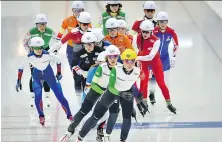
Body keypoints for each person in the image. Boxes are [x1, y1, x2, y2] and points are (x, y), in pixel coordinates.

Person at [75, 49, 147, 142]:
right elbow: (111, 87)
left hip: (127, 93)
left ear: (135, 61)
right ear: (122, 61)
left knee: (127, 118)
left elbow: (139, 80)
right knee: (96, 116)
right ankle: (80, 138)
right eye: (126, 61)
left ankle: (122, 140)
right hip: (112, 92)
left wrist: (139, 97)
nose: (129, 63)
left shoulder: (138, 71)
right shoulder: (115, 69)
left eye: (132, 61)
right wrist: (121, 93)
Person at [60, 45, 121, 142]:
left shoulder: (118, 68)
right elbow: (90, 86)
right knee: (84, 112)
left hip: (106, 93)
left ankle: (100, 130)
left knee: (106, 113)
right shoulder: (95, 69)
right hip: (93, 91)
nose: (111, 60)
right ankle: (70, 131)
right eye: (101, 62)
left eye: (114, 57)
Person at [16, 37, 72, 127]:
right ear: (32, 48)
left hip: (49, 75)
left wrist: (59, 72)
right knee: (38, 97)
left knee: (60, 96)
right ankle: (41, 116)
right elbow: (20, 68)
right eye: (36, 48)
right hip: (37, 76)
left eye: (41, 47)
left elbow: (58, 60)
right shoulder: (29, 57)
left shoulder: (47, 54)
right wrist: (18, 80)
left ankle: (69, 116)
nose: (39, 50)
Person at [136, 20, 176, 114]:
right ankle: (144, 103)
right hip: (143, 60)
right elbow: (138, 48)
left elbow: (150, 56)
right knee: (143, 82)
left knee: (161, 83)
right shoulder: (138, 37)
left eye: (147, 32)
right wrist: (138, 59)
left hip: (154, 60)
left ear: (151, 31)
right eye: (143, 31)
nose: (145, 34)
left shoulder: (156, 40)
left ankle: (169, 103)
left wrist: (136, 58)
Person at [49, 11, 92, 96]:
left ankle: (85, 99)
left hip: (87, 59)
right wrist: (48, 52)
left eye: (87, 24)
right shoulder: (73, 33)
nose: (86, 26)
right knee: (77, 79)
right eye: (84, 24)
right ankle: (78, 99)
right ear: (79, 23)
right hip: (76, 60)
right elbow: (60, 43)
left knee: (86, 80)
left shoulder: (92, 32)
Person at [23, 14, 57, 108]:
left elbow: (58, 40)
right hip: (34, 53)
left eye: (44, 24)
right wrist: (30, 51)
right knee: (34, 75)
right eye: (40, 24)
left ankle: (47, 96)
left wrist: (54, 51)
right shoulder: (31, 32)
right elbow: (24, 42)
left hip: (45, 52)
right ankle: (32, 96)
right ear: (36, 25)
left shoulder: (50, 31)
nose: (42, 26)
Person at [149, 11, 179, 105]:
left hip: (165, 58)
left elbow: (176, 46)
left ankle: (167, 98)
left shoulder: (171, 32)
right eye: (161, 22)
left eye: (165, 21)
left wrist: (173, 57)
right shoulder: (153, 32)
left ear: (167, 22)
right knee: (153, 77)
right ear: (157, 22)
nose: (163, 24)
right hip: (154, 58)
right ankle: (152, 93)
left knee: (166, 79)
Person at [72, 32, 105, 104]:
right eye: (85, 45)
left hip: (99, 73)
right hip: (86, 73)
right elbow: (73, 65)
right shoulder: (80, 53)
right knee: (86, 89)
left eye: (90, 44)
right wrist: (81, 72)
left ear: (94, 43)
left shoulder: (101, 51)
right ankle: (84, 103)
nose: (88, 47)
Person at [56, 1, 85, 69]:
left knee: (81, 66)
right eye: (75, 10)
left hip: (82, 47)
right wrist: (57, 41)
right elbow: (61, 32)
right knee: (72, 66)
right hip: (70, 47)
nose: (77, 12)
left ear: (83, 11)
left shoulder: (86, 21)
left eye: (79, 10)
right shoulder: (66, 20)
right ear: (72, 10)